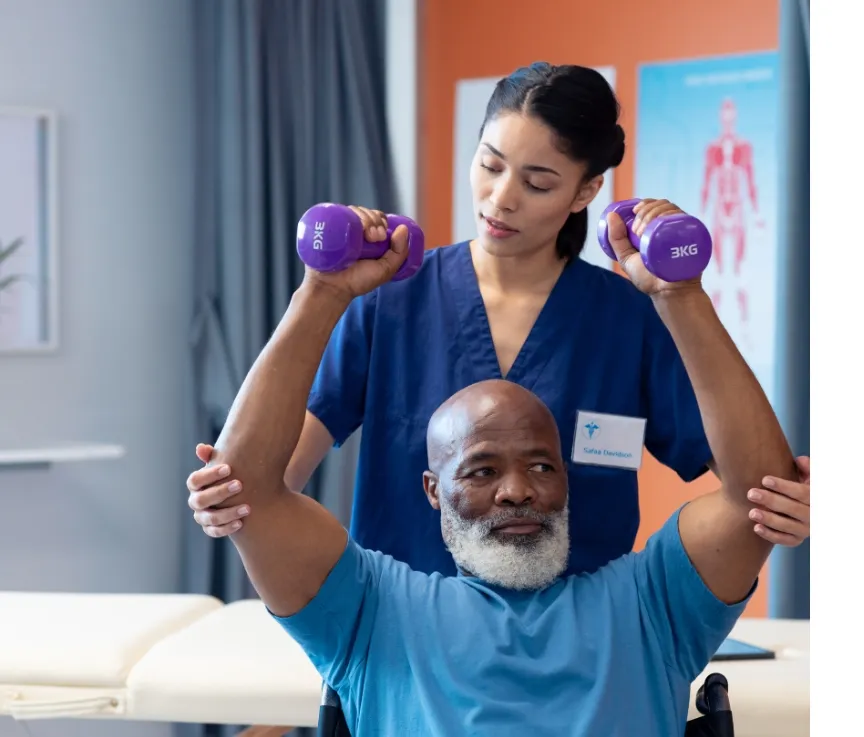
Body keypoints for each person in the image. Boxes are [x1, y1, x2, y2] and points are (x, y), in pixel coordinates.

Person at [185, 203, 799, 736]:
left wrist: (680, 295)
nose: (517, 491)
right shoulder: (373, 612)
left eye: (540, 465)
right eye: (480, 472)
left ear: (566, 480)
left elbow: (757, 495)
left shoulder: (649, 607)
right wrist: (322, 290)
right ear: (433, 491)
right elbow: (249, 490)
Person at [188, 62, 809, 576]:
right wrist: (228, 496)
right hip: (405, 638)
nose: (501, 197)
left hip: (579, 645)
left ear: (585, 192)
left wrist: (790, 499)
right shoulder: (388, 303)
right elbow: (270, 475)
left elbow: (754, 488)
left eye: (538, 183)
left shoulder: (629, 319)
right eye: (489, 164)